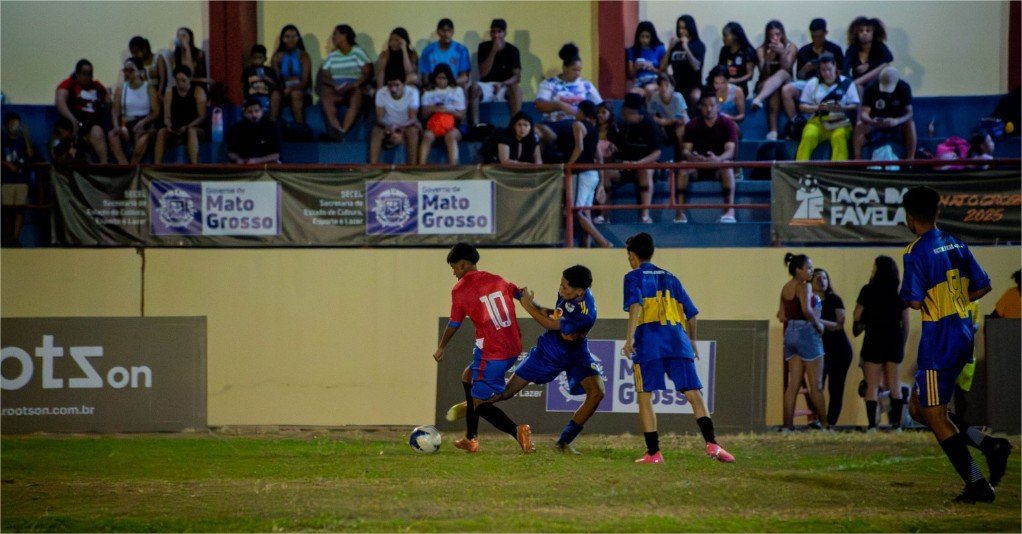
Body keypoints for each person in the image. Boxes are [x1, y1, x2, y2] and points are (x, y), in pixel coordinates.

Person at [900, 185, 996, 502]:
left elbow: (913, 302)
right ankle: (989, 445)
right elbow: (983, 286)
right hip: (962, 332)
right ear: (938, 212)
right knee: (919, 407)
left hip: (938, 338)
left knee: (934, 415)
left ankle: (977, 484)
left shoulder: (915, 252)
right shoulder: (956, 242)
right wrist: (956, 301)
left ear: (910, 218)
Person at [622, 232, 735, 464]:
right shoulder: (672, 278)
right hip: (678, 342)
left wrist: (629, 338)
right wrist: (692, 341)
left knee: (645, 396)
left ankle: (653, 453)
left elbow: (635, 304)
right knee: (694, 394)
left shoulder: (633, 277)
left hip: (649, 343)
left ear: (633, 256)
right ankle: (713, 445)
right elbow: (691, 314)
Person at [484, 265, 605, 454]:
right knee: (506, 393)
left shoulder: (586, 314)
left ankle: (563, 443)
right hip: (549, 351)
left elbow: (550, 323)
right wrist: (536, 305)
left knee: (597, 393)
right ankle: (474, 403)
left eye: (565, 287)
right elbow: (555, 314)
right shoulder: (570, 295)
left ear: (580, 291)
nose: (560, 289)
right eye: (561, 284)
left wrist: (526, 306)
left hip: (575, 353)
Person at [433, 243, 534, 454]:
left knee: (479, 402)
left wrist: (441, 347)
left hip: (492, 350)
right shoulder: (496, 279)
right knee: (467, 376)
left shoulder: (460, 289)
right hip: (512, 344)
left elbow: (454, 323)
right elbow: (520, 293)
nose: (453, 273)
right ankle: (471, 438)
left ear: (462, 265)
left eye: (453, 268)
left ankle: (517, 431)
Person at [853, 255, 909, 431]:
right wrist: (902, 343)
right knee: (894, 385)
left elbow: (856, 316)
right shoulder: (900, 291)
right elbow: (905, 321)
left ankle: (872, 426)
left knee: (872, 385)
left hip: (874, 339)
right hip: (893, 340)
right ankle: (897, 425)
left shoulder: (868, 290)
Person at [777, 253, 828, 432]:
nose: (811, 271)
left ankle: (787, 427)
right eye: (808, 268)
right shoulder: (804, 286)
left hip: (790, 333)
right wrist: (818, 325)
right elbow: (806, 310)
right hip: (806, 332)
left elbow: (781, 315)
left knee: (793, 386)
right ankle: (825, 426)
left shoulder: (785, 287)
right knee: (816, 386)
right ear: (798, 270)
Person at [677, 88, 738, 223]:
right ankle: (680, 214)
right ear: (700, 106)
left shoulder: (727, 124)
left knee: (727, 166)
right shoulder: (692, 125)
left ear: (718, 106)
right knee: (683, 167)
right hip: (697, 166)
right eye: (705, 105)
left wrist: (717, 159)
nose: (709, 109)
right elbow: (686, 151)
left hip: (717, 167)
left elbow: (730, 151)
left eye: (712, 105)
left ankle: (729, 211)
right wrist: (693, 158)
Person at [534, 43, 602, 161]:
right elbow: (539, 105)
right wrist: (559, 105)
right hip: (555, 124)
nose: (578, 73)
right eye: (574, 69)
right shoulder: (550, 83)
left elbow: (600, 106)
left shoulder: (586, 85)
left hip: (579, 124)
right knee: (536, 131)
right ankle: (540, 168)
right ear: (565, 68)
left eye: (579, 70)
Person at [781, 18, 845, 138]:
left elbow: (842, 72)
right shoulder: (804, 51)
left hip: (830, 83)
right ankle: (796, 123)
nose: (816, 39)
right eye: (813, 36)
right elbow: (799, 76)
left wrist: (827, 70)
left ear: (825, 33)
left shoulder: (835, 49)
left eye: (819, 36)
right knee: (786, 89)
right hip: (808, 83)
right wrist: (806, 68)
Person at [795, 53, 859, 161]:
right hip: (818, 120)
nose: (826, 73)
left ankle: (837, 172)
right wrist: (818, 107)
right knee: (809, 135)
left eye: (829, 69)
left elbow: (855, 105)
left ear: (835, 66)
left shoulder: (847, 83)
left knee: (839, 137)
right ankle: (800, 169)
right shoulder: (812, 83)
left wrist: (842, 107)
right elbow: (802, 106)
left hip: (840, 121)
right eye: (823, 70)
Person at [610, 93, 661, 224]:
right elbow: (620, 147)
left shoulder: (650, 125)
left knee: (645, 171)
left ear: (636, 114)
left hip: (644, 164)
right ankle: (603, 215)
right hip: (626, 165)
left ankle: (645, 215)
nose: (623, 116)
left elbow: (657, 153)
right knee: (605, 173)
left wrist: (638, 163)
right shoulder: (624, 125)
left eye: (626, 114)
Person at [812, 268, 853, 427]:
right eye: (817, 278)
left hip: (839, 349)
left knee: (836, 388)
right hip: (819, 350)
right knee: (817, 386)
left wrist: (817, 320)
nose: (821, 281)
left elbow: (839, 324)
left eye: (824, 278)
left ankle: (830, 424)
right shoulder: (809, 300)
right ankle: (820, 420)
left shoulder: (834, 299)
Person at [567, 101, 610, 248]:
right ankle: (587, 248)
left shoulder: (578, 125)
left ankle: (603, 242)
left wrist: (569, 166)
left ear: (580, 111)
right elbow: (599, 157)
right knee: (586, 214)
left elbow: (579, 147)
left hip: (581, 173)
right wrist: (601, 183)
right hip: (593, 175)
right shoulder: (594, 129)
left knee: (576, 212)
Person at [318, 24, 372, 141]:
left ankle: (343, 131)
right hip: (337, 88)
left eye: (335, 34)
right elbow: (324, 75)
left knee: (357, 94)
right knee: (325, 95)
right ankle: (336, 128)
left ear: (344, 35)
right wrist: (334, 85)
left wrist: (354, 85)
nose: (333, 37)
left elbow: (367, 73)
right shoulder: (332, 55)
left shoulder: (357, 52)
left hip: (353, 87)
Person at [852, 67, 916, 160]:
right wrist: (872, 121)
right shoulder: (871, 87)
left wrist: (897, 121)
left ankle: (910, 159)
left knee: (910, 124)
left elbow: (909, 113)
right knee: (859, 126)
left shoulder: (904, 87)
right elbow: (864, 113)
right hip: (875, 124)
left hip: (896, 124)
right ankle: (857, 160)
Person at [750, 20, 798, 140]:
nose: (775, 38)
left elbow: (788, 69)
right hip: (765, 84)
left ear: (782, 34)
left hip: (786, 82)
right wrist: (767, 61)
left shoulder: (791, 47)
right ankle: (773, 132)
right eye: (771, 35)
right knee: (774, 89)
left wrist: (782, 54)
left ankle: (758, 100)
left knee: (782, 73)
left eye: (778, 34)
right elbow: (763, 74)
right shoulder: (761, 50)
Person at [55, 59, 109, 163]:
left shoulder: (97, 86)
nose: (88, 77)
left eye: (90, 74)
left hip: (93, 121)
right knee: (65, 132)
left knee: (97, 132)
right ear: (77, 74)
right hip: (74, 118)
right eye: (84, 74)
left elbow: (107, 99)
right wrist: (72, 120)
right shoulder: (70, 84)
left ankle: (104, 165)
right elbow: (60, 100)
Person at [470, 19, 523, 125]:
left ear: (505, 33)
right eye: (493, 32)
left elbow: (517, 77)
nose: (496, 35)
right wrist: (493, 51)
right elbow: (483, 73)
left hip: (504, 86)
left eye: (499, 32)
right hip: (487, 85)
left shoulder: (513, 50)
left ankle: (516, 124)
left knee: (516, 88)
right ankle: (476, 126)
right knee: (474, 88)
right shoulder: (483, 47)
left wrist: (502, 83)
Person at [108, 58, 160, 165]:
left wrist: (143, 122)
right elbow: (115, 111)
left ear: (139, 72)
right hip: (126, 122)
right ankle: (123, 164)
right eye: (125, 70)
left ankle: (132, 166)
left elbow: (156, 111)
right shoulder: (121, 89)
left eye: (131, 70)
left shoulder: (148, 87)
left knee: (142, 139)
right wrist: (117, 126)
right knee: (112, 135)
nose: (127, 73)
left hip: (144, 122)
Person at [154, 65, 207, 164]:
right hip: (176, 127)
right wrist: (169, 125)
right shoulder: (170, 92)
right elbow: (167, 115)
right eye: (177, 80)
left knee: (191, 131)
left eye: (183, 80)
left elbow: (202, 116)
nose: (180, 84)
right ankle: (157, 165)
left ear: (189, 79)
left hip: (194, 127)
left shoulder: (198, 91)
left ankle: (195, 165)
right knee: (162, 132)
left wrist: (187, 127)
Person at [419, 63, 465, 165]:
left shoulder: (457, 90)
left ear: (449, 78)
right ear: (434, 78)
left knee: (451, 136)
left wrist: (447, 111)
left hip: (454, 125)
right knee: (427, 136)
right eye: (439, 78)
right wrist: (435, 109)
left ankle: (454, 169)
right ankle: (421, 167)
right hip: (434, 124)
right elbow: (423, 116)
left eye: (444, 78)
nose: (441, 81)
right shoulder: (428, 91)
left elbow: (461, 116)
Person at [369, 76, 420, 164]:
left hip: (407, 125)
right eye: (390, 85)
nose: (393, 88)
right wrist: (388, 127)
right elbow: (379, 118)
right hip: (387, 125)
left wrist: (399, 127)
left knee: (413, 131)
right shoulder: (381, 93)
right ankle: (373, 167)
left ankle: (413, 167)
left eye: (397, 85)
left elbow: (413, 119)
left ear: (403, 84)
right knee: (376, 131)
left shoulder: (412, 92)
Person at [2, 112, 35, 247]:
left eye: (17, 123)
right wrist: (6, 164)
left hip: (22, 180)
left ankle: (16, 239)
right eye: (12, 123)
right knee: (8, 210)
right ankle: (8, 238)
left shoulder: (22, 141)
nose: (15, 126)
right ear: (6, 125)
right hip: (7, 180)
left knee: (20, 210)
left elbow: (30, 154)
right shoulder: (2, 141)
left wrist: (26, 136)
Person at [270, 24, 313, 124]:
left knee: (295, 94)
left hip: (301, 90)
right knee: (275, 94)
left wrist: (292, 88)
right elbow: (276, 79)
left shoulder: (304, 56)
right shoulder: (277, 57)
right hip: (283, 89)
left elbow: (305, 80)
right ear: (282, 39)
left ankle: (301, 128)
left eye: (294, 36)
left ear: (298, 38)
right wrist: (283, 89)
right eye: (287, 37)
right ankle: (272, 127)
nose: (291, 40)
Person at [661, 14, 705, 108]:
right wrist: (669, 48)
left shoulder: (698, 45)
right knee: (663, 94)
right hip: (676, 83)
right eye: (679, 28)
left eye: (684, 28)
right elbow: (662, 67)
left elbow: (696, 67)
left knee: (695, 96)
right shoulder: (675, 45)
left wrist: (686, 47)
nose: (681, 31)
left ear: (690, 28)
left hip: (693, 84)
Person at [419, 19, 471, 92]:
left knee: (464, 86)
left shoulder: (461, 50)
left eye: (449, 30)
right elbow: (425, 77)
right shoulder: (428, 51)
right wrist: (436, 85)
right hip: (434, 86)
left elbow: (465, 77)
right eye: (443, 31)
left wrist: (447, 84)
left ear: (453, 32)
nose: (446, 34)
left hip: (453, 85)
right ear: (438, 32)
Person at [844, 17, 893, 94]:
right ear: (856, 34)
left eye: (868, 31)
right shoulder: (852, 49)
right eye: (861, 31)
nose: (864, 33)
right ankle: (854, 84)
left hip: (876, 82)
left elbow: (889, 57)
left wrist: (868, 65)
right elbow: (845, 68)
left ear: (873, 33)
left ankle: (854, 84)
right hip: (859, 84)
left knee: (885, 65)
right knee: (857, 88)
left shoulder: (879, 46)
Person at [226, 98, 281, 164]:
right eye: (250, 112)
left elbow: (276, 155)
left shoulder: (271, 127)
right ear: (244, 113)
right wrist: (238, 159)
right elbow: (231, 152)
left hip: (266, 165)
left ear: (262, 112)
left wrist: (255, 161)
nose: (254, 115)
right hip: (244, 165)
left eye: (257, 111)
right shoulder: (236, 128)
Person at [648, 73, 689, 160]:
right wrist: (662, 122)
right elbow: (650, 116)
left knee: (680, 131)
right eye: (661, 85)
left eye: (667, 85)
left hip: (680, 124)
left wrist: (666, 122)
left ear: (672, 87)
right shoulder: (655, 97)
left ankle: (682, 159)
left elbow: (681, 119)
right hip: (665, 123)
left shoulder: (677, 98)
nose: (663, 88)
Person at [716, 22, 756, 98]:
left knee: (733, 91)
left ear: (735, 36)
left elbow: (749, 75)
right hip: (723, 84)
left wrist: (734, 80)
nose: (723, 39)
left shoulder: (747, 51)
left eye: (726, 36)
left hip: (739, 86)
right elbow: (720, 68)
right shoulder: (724, 50)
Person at [626, 21, 666, 97]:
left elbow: (663, 72)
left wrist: (652, 68)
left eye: (647, 37)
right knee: (632, 93)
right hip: (639, 81)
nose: (644, 40)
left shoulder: (659, 49)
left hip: (655, 80)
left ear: (652, 37)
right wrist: (636, 67)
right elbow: (630, 75)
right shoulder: (632, 50)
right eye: (642, 36)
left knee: (649, 89)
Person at [241, 44, 280, 115]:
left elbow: (276, 85)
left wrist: (267, 79)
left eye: (260, 58)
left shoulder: (269, 71)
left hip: (265, 96)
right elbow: (242, 86)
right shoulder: (248, 71)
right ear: (251, 58)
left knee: (264, 104)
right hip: (251, 96)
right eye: (255, 57)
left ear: (265, 59)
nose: (257, 60)